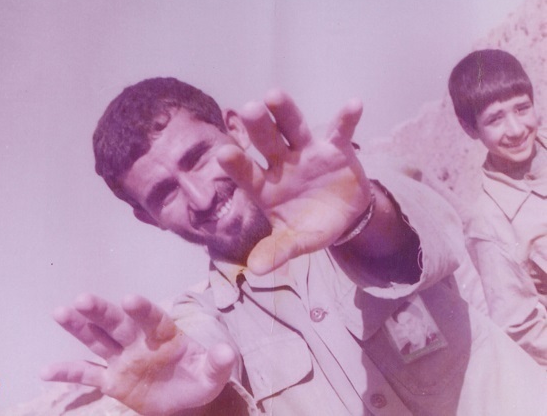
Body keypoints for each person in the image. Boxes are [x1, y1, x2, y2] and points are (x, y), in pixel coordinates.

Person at [42, 77, 547, 415]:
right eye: (164, 194)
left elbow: (419, 231)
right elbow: (201, 362)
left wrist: (362, 220)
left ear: (234, 130)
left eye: (197, 157)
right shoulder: (203, 317)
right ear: (146, 218)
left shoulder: (352, 188)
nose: (199, 196)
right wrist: (194, 407)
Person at [448, 49, 547, 367]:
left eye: (522, 108)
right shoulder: (489, 222)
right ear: (470, 128)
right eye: (495, 119)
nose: (516, 129)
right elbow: (522, 329)